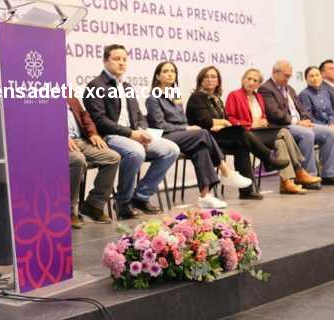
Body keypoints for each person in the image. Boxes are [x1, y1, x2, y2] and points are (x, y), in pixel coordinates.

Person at [83, 45, 180, 219]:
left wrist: (142, 130)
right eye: (116, 59)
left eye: (124, 59)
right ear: (105, 61)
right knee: (136, 152)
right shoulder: (95, 85)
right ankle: (123, 202)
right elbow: (100, 121)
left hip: (133, 135)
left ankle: (141, 196)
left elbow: (138, 114)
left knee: (171, 149)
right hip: (110, 136)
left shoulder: (127, 86)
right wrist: (131, 134)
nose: (121, 63)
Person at [145, 61, 252, 209]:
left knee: (201, 148)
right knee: (202, 133)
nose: (170, 74)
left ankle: (205, 196)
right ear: (158, 76)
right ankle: (226, 171)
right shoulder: (152, 98)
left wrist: (186, 128)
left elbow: (183, 120)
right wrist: (186, 129)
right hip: (164, 137)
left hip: (180, 136)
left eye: (173, 71)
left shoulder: (176, 96)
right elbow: (160, 126)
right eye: (165, 71)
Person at [186, 66, 287, 200]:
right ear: (200, 80)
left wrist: (221, 123)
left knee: (242, 145)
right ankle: (268, 158)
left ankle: (246, 191)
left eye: (213, 76)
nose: (210, 79)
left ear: (218, 81)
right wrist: (223, 123)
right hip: (205, 138)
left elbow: (220, 120)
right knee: (240, 131)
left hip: (218, 135)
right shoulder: (197, 97)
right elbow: (206, 121)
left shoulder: (216, 98)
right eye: (206, 76)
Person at [226, 68, 322, 194]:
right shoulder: (234, 95)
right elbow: (230, 118)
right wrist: (250, 124)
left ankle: (286, 182)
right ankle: (299, 170)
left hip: (261, 132)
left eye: (255, 80)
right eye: (249, 78)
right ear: (243, 79)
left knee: (281, 142)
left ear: (258, 84)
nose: (251, 82)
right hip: (246, 134)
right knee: (284, 132)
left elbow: (263, 115)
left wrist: (264, 121)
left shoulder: (258, 97)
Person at [259, 60, 334, 186]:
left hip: (299, 124)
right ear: (275, 73)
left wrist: (306, 120)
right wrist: (297, 122)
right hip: (282, 127)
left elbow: (301, 109)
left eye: (290, 76)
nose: (288, 79)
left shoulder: (289, 88)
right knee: (307, 134)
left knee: (328, 132)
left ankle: (329, 174)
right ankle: (308, 176)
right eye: (286, 76)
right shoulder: (266, 89)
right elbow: (275, 114)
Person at [66, 97, 120, 228]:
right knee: (78, 160)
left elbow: (83, 115)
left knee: (113, 157)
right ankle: (69, 211)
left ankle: (93, 204)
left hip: (80, 140)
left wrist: (93, 133)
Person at [298, 66, 334, 171]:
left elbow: (330, 113)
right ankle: (328, 168)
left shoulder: (325, 92)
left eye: (317, 75)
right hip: (316, 127)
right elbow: (308, 116)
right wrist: (326, 127)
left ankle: (324, 165)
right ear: (306, 79)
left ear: (321, 77)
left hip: (330, 126)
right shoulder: (304, 94)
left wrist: (332, 123)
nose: (315, 78)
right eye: (311, 76)